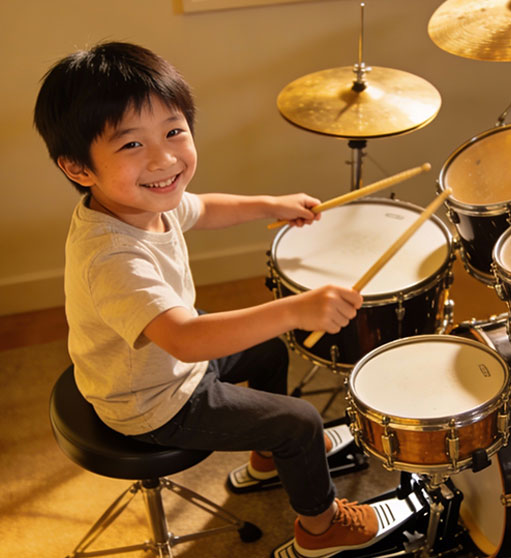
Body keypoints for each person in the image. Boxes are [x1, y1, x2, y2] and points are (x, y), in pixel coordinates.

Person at [33, 41, 400, 557]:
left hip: (160, 367)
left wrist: (271, 204)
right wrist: (295, 308)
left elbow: (202, 208)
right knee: (301, 420)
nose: (164, 158)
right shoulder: (112, 258)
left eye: (173, 131)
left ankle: (271, 459)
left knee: (271, 350)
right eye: (131, 145)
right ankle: (320, 529)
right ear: (79, 168)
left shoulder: (138, 199)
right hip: (152, 402)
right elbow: (185, 339)